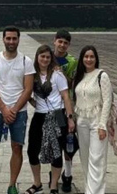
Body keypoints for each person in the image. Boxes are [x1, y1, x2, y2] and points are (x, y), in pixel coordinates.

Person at [0, 26, 36, 194]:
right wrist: (3, 108)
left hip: (19, 111)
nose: (11, 41)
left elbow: (28, 89)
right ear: (3, 39)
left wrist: (14, 110)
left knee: (16, 147)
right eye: (8, 38)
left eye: (14, 38)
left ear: (19, 40)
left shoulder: (26, 61)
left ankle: (12, 184)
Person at [25, 45, 75, 194]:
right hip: (40, 114)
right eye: (42, 56)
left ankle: (53, 186)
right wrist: (34, 103)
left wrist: (70, 118)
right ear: (37, 57)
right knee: (32, 150)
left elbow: (66, 96)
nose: (45, 59)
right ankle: (37, 183)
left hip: (58, 114)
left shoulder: (57, 74)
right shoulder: (32, 75)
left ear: (51, 58)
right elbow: (26, 92)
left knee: (57, 151)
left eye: (48, 57)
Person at [72, 46, 112, 194]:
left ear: (96, 59)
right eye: (86, 57)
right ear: (82, 59)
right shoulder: (79, 76)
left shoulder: (102, 75)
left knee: (97, 159)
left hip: (97, 122)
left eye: (91, 57)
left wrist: (103, 125)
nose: (88, 59)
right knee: (85, 158)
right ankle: (89, 189)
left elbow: (107, 101)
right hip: (81, 122)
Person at [51, 30, 78, 192]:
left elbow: (72, 84)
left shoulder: (72, 61)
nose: (62, 45)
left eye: (65, 43)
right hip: (51, 109)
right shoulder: (46, 56)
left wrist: (61, 73)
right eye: (59, 41)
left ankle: (67, 175)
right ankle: (54, 172)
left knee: (68, 142)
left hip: (65, 108)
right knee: (54, 142)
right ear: (54, 41)